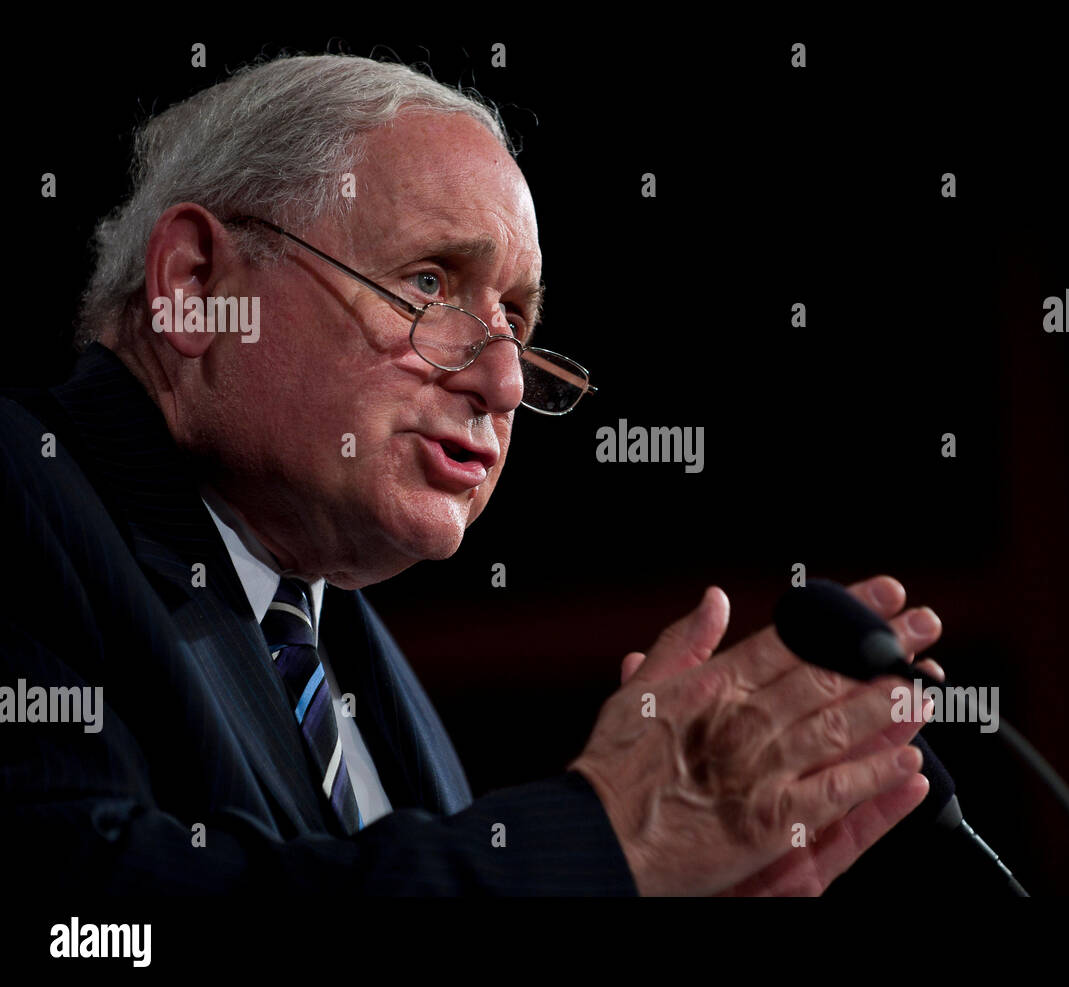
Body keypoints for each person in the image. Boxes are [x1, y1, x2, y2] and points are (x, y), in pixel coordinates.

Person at [0, 53, 945, 895]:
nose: (500, 380)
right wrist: (603, 839)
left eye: (519, 327)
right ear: (197, 285)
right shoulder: (22, 493)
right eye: (428, 284)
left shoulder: (350, 654)